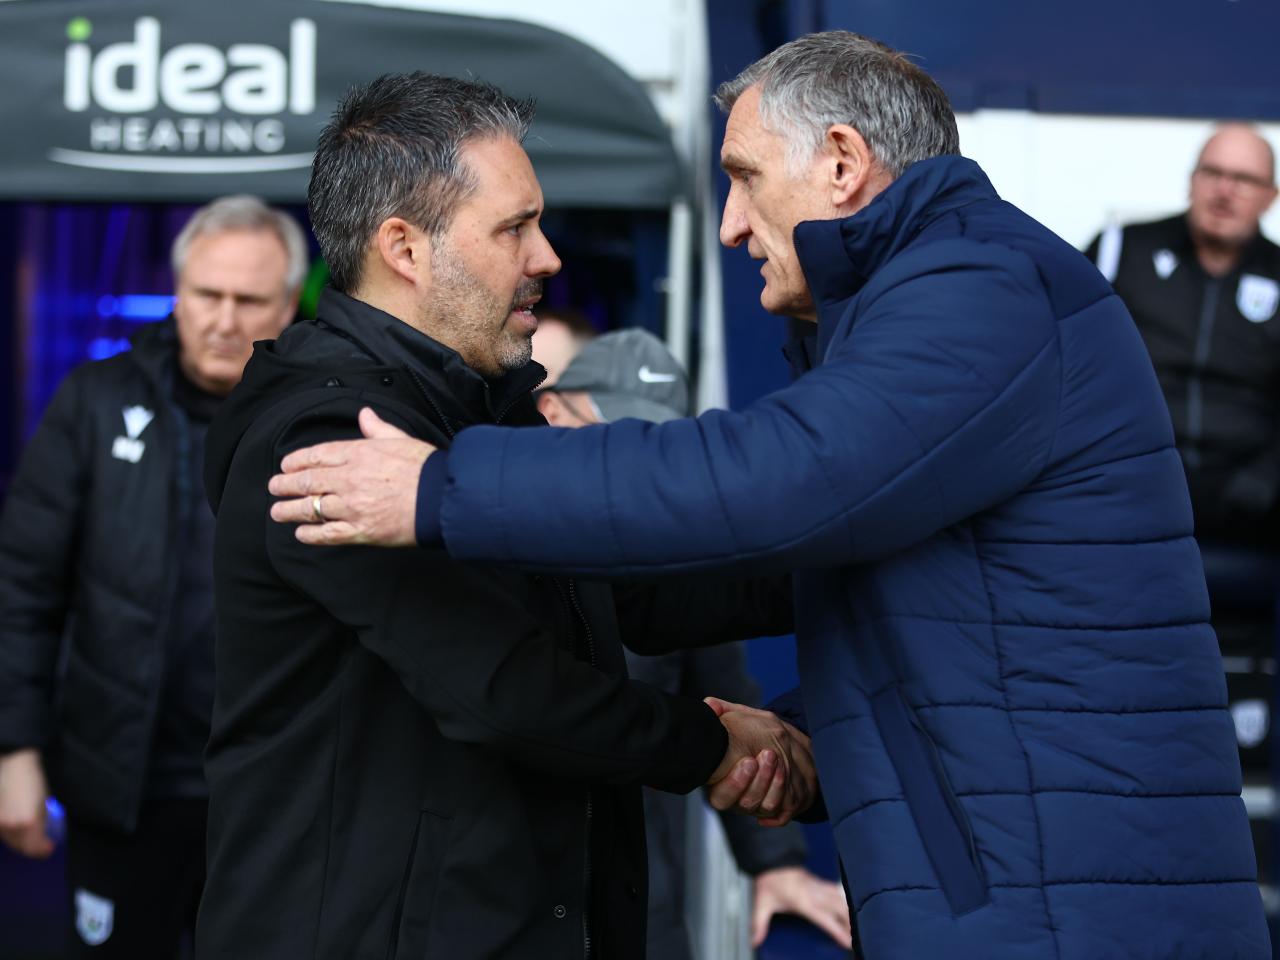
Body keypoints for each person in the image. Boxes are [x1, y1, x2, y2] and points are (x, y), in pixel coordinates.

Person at [269, 33, 1271, 959]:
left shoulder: (976, 288)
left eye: (745, 180)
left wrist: (446, 488)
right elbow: (920, 608)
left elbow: (780, 482)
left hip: (1066, 902)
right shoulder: (934, 294)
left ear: (840, 162)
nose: (732, 224)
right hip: (1040, 879)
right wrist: (796, 741)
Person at [196, 73, 812, 960]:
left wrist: (830, 570)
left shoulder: (487, 406)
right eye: (514, 228)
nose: (548, 257)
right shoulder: (326, 438)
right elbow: (501, 687)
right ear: (405, 249)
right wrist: (713, 746)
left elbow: (625, 592)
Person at [0, 195, 305, 957]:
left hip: (276, 798)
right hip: (120, 785)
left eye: (249, 299)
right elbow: (23, 590)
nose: (224, 319)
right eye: (207, 294)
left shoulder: (325, 419)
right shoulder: (95, 402)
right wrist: (16, 754)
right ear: (179, 290)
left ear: (292, 305)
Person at [537, 326, 851, 954]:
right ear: (552, 411)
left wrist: (777, 863)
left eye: (651, 447)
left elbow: (729, 694)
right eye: (612, 434)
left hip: (640, 909)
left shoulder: (668, 564)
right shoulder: (485, 538)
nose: (625, 465)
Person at [1086, 124, 1280, 547]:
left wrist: (1267, 476)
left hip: (1251, 486)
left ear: (1271, 195)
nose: (1225, 190)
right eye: (1213, 173)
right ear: (1192, 180)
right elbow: (1066, 360)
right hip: (1135, 469)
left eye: (1245, 180)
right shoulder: (1123, 250)